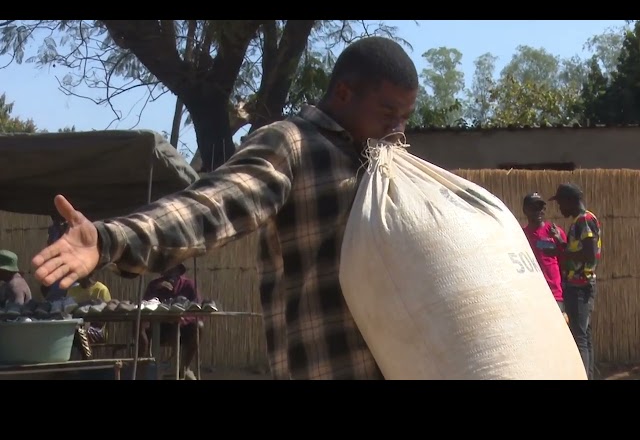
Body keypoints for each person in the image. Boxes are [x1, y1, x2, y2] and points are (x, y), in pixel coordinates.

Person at [30, 36, 419, 380]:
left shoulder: (383, 167)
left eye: (405, 117)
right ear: (344, 94)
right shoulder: (295, 146)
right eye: (388, 115)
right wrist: (110, 238)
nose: (398, 130)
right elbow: (211, 205)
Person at [544, 183, 601, 380]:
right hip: (581, 286)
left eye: (561, 203)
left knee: (580, 339)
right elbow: (578, 251)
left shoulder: (584, 220)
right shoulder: (581, 221)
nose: (560, 208)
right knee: (585, 336)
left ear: (570, 201)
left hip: (580, 287)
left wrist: (559, 251)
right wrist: (560, 242)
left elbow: (590, 255)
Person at [138, 264, 202, 380]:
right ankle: (141, 369)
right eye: (167, 270)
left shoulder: (189, 285)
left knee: (199, 326)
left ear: (179, 272)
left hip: (183, 327)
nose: (170, 274)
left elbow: (198, 309)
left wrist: (184, 319)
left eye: (174, 271)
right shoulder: (154, 285)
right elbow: (145, 306)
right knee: (140, 327)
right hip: (160, 327)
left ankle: (183, 368)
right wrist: (157, 292)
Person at [521, 192, 567, 314]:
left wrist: (557, 239)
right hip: (532, 294)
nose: (538, 211)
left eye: (540, 207)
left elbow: (566, 260)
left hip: (554, 293)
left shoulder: (555, 233)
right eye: (533, 208)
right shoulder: (521, 235)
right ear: (525, 210)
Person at [67, 275, 111, 344]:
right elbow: (68, 312)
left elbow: (106, 316)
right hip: (75, 328)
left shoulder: (101, 290)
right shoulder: (72, 290)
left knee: (77, 334)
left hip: (97, 330)